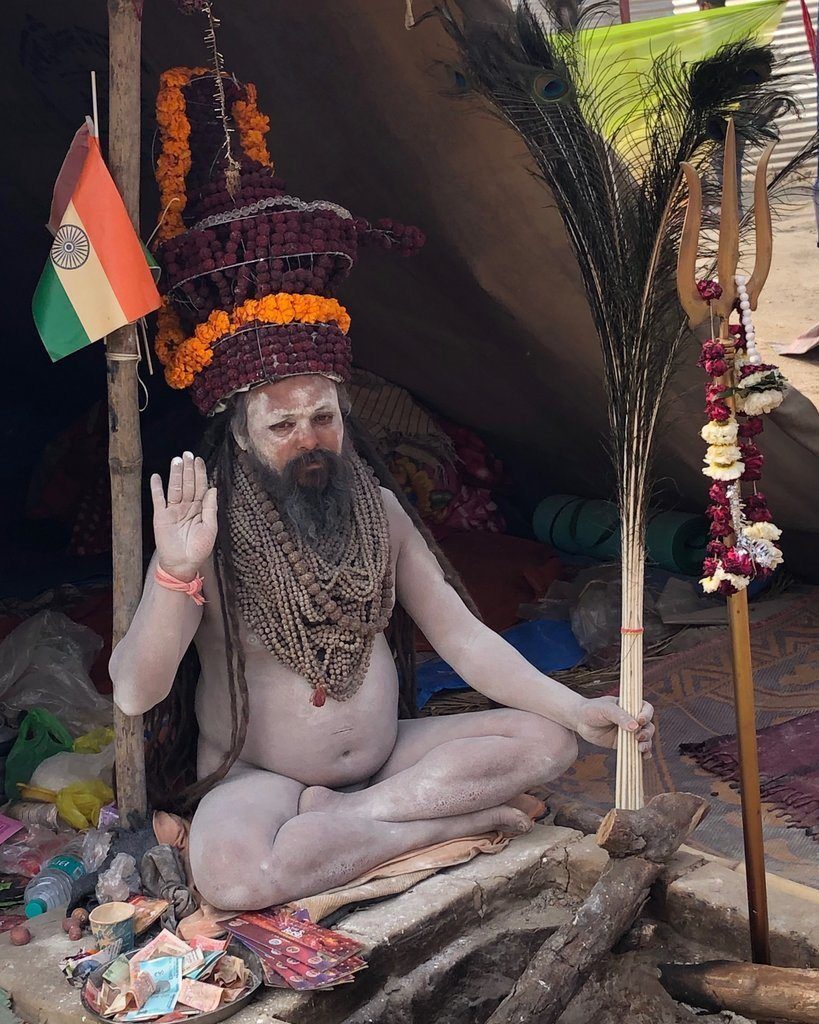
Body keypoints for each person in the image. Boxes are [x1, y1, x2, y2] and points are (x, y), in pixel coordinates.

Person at [109, 66, 655, 913]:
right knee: (232, 876)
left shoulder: (376, 508)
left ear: (343, 408)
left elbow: (466, 642)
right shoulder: (208, 533)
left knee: (546, 741)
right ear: (240, 436)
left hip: (389, 758)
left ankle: (362, 821)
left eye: (321, 417)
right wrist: (174, 571)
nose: (308, 440)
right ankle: (434, 825)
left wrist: (586, 711)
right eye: (281, 426)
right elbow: (137, 692)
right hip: (265, 778)